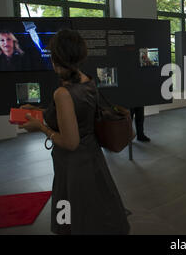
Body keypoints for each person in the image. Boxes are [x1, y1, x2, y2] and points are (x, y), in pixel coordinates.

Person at [19, 29, 130, 235]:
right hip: (92, 159)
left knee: (72, 216)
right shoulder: (86, 81)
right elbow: (74, 115)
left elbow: (70, 142)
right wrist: (39, 112)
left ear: (56, 58)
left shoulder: (62, 93)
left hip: (73, 167)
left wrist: (40, 127)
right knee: (98, 214)